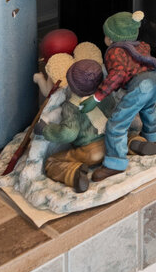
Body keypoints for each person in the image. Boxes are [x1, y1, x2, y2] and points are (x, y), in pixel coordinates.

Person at [84, 11, 156, 181]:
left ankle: (115, 164)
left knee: (117, 123)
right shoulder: (141, 46)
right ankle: (152, 136)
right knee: (147, 107)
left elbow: (117, 75)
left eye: (106, 34)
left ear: (112, 38)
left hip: (143, 84)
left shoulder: (114, 52)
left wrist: (96, 98)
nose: (105, 38)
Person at [39, 59, 109, 193]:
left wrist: (46, 129)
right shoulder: (104, 96)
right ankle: (134, 142)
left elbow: (69, 134)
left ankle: (74, 174)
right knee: (126, 137)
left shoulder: (71, 106)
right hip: (113, 143)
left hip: (91, 151)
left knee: (51, 161)